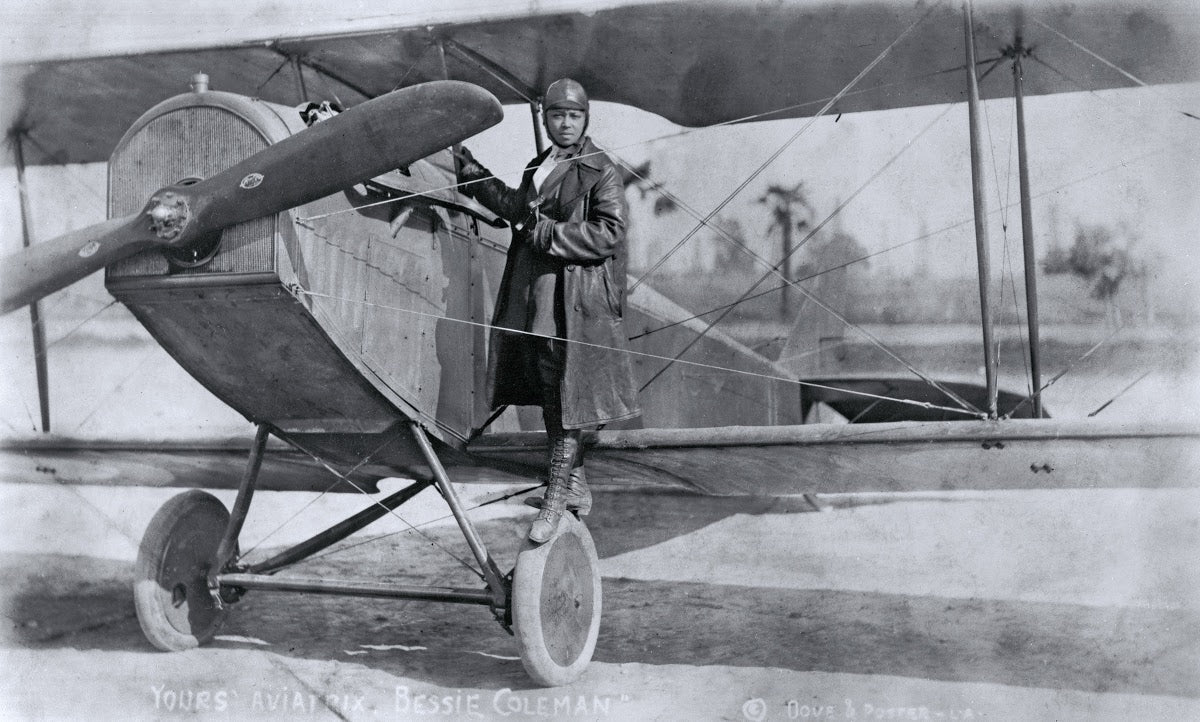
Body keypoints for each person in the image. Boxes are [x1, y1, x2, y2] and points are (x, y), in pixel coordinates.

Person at [455, 78, 640, 543]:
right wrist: (472, 171)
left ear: (585, 119)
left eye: (574, 116)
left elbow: (609, 233)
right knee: (549, 390)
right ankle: (575, 487)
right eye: (557, 115)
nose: (565, 123)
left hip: (572, 301)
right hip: (535, 296)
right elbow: (516, 208)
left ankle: (556, 497)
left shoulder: (601, 170)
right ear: (546, 117)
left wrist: (550, 235)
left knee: (564, 396)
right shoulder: (539, 165)